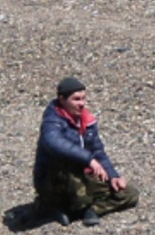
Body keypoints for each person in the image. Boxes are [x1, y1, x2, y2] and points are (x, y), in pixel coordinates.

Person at [34, 77, 138, 227]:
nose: (82, 104)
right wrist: (89, 160)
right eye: (76, 99)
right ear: (62, 100)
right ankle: (51, 206)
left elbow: (97, 150)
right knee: (68, 162)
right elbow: (54, 143)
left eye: (83, 98)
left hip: (82, 176)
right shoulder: (52, 121)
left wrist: (113, 176)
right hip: (55, 180)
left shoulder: (86, 120)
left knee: (128, 193)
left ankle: (86, 210)